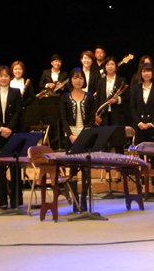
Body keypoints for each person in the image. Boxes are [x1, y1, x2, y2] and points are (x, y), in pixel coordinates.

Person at [59, 68, 97, 211]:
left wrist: (86, 134)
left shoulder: (89, 96)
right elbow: (63, 119)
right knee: (73, 170)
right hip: (71, 137)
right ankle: (75, 200)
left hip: (86, 136)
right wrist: (70, 136)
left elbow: (92, 116)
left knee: (86, 170)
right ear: (70, 80)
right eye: (75, 78)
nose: (78, 80)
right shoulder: (65, 97)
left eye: (80, 78)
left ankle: (84, 200)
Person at [0, 66, 23, 209]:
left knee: (15, 169)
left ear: (10, 78)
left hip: (13, 134)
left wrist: (9, 128)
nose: (3, 78)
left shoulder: (16, 92)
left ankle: (15, 200)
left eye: (6, 76)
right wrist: (1, 128)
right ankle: (2, 201)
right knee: (0, 169)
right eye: (1, 76)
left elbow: (18, 112)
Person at [130, 63, 154, 191]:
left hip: (153, 127)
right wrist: (139, 123)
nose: (146, 73)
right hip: (140, 127)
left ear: (152, 73)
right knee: (140, 157)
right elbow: (132, 107)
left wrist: (152, 123)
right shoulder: (136, 88)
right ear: (141, 73)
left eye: (148, 71)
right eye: (144, 71)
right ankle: (142, 184)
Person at [96, 56, 128, 127]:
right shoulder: (100, 82)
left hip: (117, 116)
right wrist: (97, 116)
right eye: (107, 64)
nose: (110, 66)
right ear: (104, 67)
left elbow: (127, 98)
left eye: (112, 64)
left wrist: (118, 100)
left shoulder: (121, 81)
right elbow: (98, 100)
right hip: (103, 116)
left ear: (116, 66)